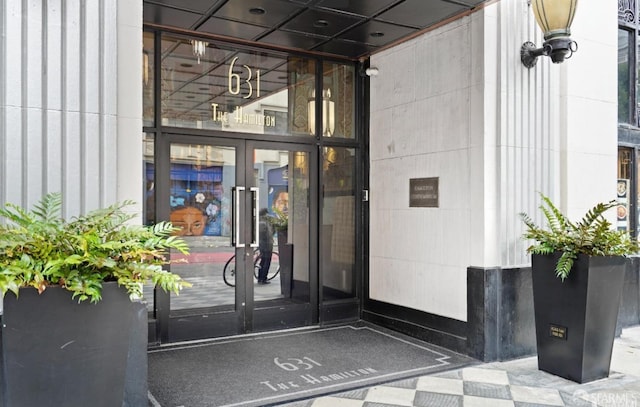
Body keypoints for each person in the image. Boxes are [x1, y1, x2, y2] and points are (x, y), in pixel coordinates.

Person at [258, 208, 274, 284]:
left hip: (260, 243)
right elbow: (271, 233)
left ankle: (259, 277)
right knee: (267, 261)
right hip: (268, 243)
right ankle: (264, 278)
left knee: (262, 260)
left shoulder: (258, 220)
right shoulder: (267, 220)